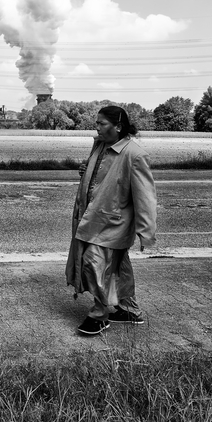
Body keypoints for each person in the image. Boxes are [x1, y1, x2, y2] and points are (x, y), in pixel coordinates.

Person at [66, 105, 157, 336]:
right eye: (96, 123)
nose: (97, 128)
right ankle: (128, 310)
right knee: (117, 267)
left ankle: (99, 314)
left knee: (93, 262)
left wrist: (146, 232)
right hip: (93, 218)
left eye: (101, 124)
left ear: (118, 127)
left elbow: (145, 197)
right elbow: (100, 177)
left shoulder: (134, 154)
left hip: (112, 222)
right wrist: (86, 171)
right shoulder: (100, 146)